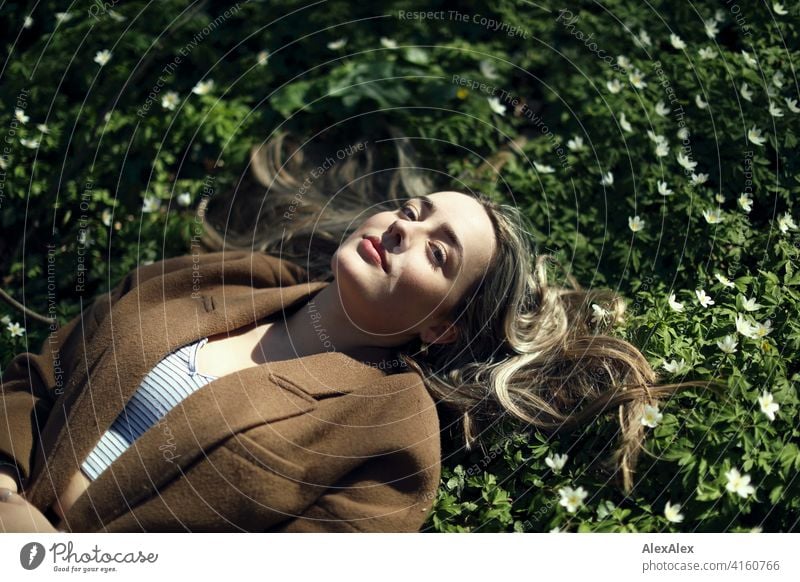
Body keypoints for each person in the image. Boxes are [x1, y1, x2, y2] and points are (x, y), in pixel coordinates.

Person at [0, 124, 711, 532]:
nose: (405, 228)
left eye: (437, 251)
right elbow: (37, 377)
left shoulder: (392, 436)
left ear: (440, 327)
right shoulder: (214, 276)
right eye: (412, 209)